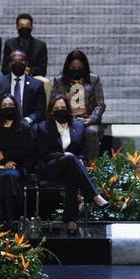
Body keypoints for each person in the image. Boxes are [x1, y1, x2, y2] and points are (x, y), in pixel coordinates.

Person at [33, 94, 109, 234]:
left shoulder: (78, 126)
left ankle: (71, 220)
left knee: (71, 170)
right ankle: (94, 195)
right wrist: (64, 156)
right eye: (57, 108)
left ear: (68, 109)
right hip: (50, 167)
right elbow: (42, 154)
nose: (60, 110)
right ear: (51, 111)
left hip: (71, 167)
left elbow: (84, 153)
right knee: (70, 159)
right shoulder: (43, 127)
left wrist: (79, 160)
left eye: (63, 107)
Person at [0, 95, 36, 224]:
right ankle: (0, 217)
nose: (8, 108)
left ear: (16, 107)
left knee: (9, 176)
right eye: (4, 106)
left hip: (16, 166)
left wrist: (6, 156)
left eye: (11, 106)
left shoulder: (24, 127)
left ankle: (9, 217)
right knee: (1, 177)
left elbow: (27, 150)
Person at [49, 49, 106, 163]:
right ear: (67, 67)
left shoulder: (94, 79)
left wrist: (91, 119)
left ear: (84, 67)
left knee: (91, 132)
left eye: (79, 68)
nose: (76, 71)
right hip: (66, 119)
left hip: (87, 120)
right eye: (73, 68)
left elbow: (100, 104)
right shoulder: (59, 81)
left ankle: (93, 166)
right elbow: (53, 101)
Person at [0, 49, 46, 126]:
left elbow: (40, 110)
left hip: (29, 125)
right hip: (3, 124)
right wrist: (3, 121)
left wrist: (27, 120)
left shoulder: (37, 85)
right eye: (14, 61)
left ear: (26, 63)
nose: (18, 63)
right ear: (9, 64)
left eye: (21, 61)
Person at [2, 12, 48, 78]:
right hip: (14, 78)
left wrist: (30, 70)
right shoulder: (9, 44)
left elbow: (43, 70)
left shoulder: (40, 45)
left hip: (33, 79)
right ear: (17, 27)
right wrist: (17, 69)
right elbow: (4, 69)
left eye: (27, 25)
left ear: (32, 27)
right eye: (21, 25)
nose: (24, 27)